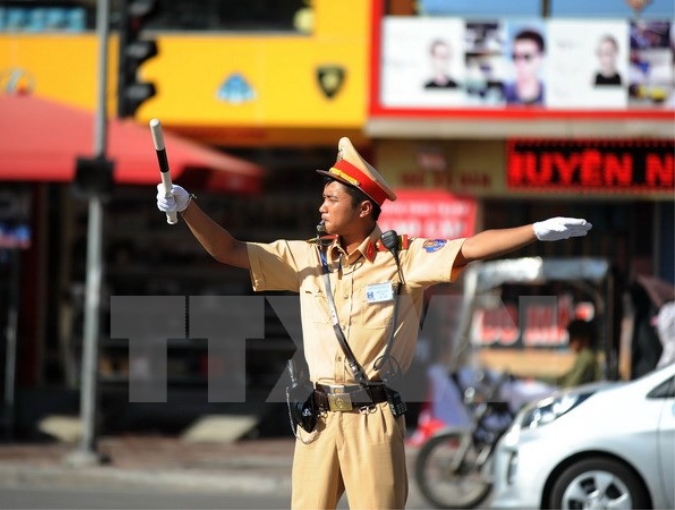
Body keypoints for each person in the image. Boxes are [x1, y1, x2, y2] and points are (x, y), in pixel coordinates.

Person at [156, 137, 592, 509]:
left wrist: (535, 229)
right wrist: (189, 206)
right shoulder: (307, 257)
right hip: (320, 418)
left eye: (332, 198)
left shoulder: (404, 258)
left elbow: (470, 247)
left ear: (364, 208)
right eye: (323, 197)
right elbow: (229, 250)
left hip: (374, 416)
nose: (321, 205)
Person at [544, 319, 601, 389]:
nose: (570, 342)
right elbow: (565, 378)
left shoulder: (585, 357)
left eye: (573, 337)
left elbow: (570, 386)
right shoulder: (585, 356)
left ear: (585, 339)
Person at [503, 28, 545, 105]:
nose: (520, 63)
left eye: (527, 57)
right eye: (515, 57)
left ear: (540, 58)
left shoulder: (551, 95)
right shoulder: (503, 94)